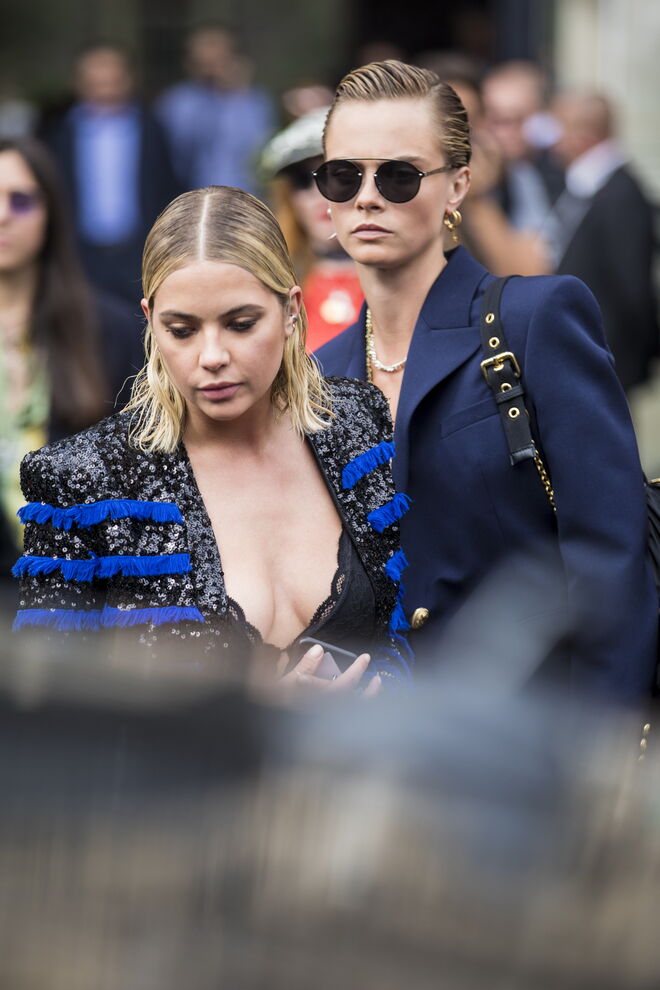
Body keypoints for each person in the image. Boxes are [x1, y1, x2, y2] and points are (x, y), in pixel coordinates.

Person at [313, 60, 656, 701]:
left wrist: (596, 761)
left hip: (534, 745)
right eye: (342, 175)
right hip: (382, 757)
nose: (366, 197)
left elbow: (609, 559)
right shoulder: (320, 376)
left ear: (458, 186)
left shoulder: (535, 320)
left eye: (399, 175)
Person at [13, 185, 411, 696]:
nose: (212, 355)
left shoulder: (355, 423)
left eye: (241, 324)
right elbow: (48, 706)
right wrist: (248, 719)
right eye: (181, 330)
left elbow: (398, 627)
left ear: (291, 310)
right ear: (150, 321)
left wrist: (385, 696)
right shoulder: (84, 480)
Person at [0, 137, 143, 566]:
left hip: (82, 600)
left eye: (21, 201)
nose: (3, 216)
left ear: (51, 213)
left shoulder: (112, 330)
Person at [45, 43, 180, 302]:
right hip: (78, 253)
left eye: (113, 81)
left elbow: (169, 186)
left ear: (130, 80)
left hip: (139, 250)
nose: (105, 90)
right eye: (96, 82)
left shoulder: (154, 129)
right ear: (78, 84)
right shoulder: (58, 134)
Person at [545, 91, 659, 393]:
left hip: (604, 362)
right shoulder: (588, 185)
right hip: (584, 353)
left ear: (584, 135)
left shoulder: (620, 194)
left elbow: (631, 289)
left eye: (558, 127)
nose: (551, 139)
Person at [260, 108, 363, 351]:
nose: (319, 193)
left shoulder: (411, 280)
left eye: (337, 176)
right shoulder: (270, 285)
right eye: (302, 180)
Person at [155, 25, 275, 195]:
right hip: (191, 201)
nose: (212, 69)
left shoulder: (254, 101)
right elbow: (178, 153)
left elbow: (261, 150)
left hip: (245, 200)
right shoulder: (177, 102)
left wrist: (238, 93)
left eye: (220, 59)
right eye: (204, 62)